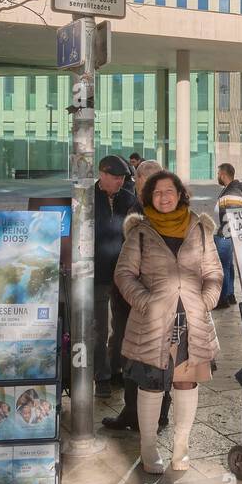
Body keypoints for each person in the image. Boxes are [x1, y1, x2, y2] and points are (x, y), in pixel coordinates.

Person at [115, 171, 223, 474]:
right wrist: (145, 302)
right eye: (157, 192)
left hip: (191, 322)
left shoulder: (199, 229)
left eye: (170, 191)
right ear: (149, 197)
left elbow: (214, 273)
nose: (164, 197)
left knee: (186, 383)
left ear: (180, 195)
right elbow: (124, 274)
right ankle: (148, 449)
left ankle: (181, 448)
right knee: (150, 386)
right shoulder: (140, 231)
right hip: (151, 323)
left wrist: (206, 301)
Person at [103, 160, 171, 434]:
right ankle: (133, 411)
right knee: (130, 357)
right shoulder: (136, 206)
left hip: (149, 301)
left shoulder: (163, 213)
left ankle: (158, 414)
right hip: (128, 299)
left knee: (156, 358)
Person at [93, 155, 137, 399]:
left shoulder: (129, 200)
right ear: (102, 174)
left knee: (121, 326)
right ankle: (101, 376)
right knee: (98, 328)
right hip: (97, 273)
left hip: (122, 274)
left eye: (123, 178)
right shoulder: (86, 198)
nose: (120, 183)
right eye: (116, 178)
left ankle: (117, 366)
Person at [213, 163, 242, 309]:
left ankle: (223, 298)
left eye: (219, 173)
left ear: (224, 175)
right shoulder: (231, 190)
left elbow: (232, 216)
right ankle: (230, 294)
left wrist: (224, 234)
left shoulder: (231, 193)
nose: (218, 176)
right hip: (228, 234)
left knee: (223, 266)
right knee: (228, 265)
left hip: (226, 234)